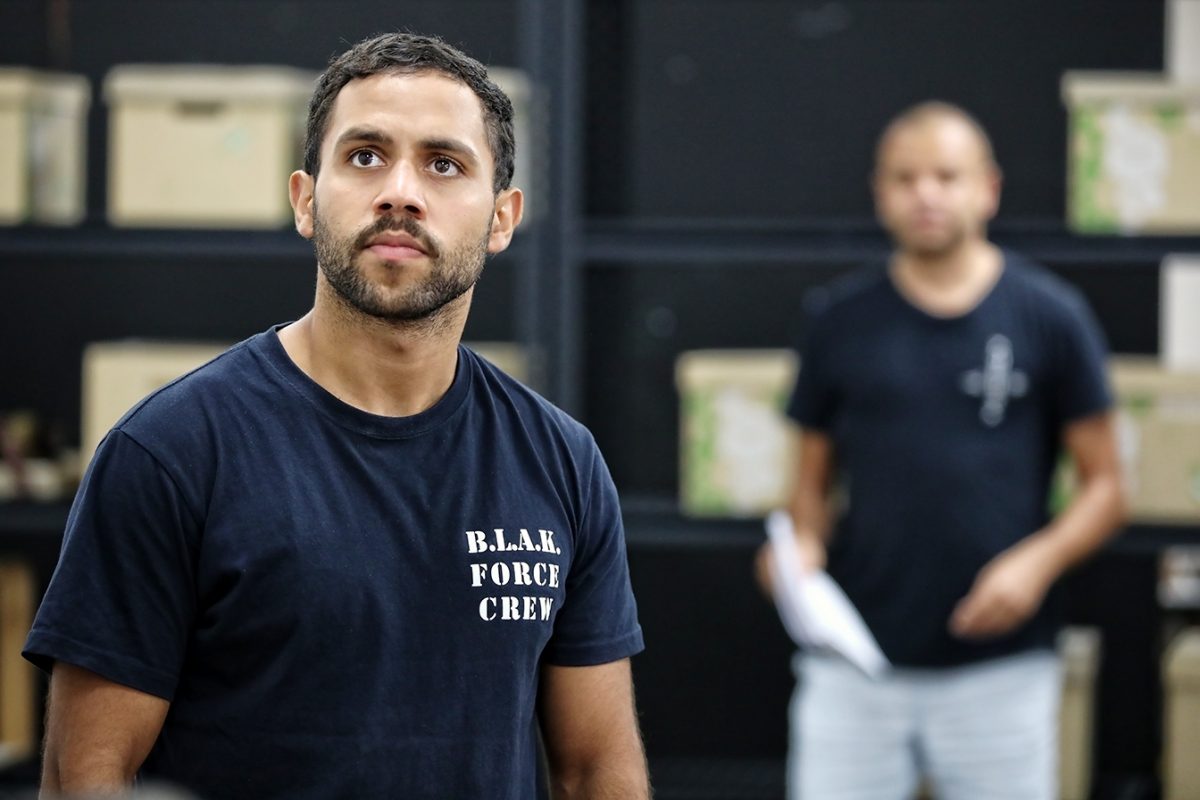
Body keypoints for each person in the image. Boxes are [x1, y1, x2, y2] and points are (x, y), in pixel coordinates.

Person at [24, 32, 649, 800]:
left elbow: (594, 771)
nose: (400, 192)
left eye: (444, 164)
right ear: (305, 200)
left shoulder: (560, 460)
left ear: (502, 217)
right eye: (364, 156)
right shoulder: (169, 451)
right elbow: (84, 779)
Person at [757, 101, 1125, 799]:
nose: (926, 193)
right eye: (906, 178)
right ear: (880, 193)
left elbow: (1106, 487)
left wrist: (1035, 563)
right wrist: (797, 550)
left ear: (987, 188)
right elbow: (808, 483)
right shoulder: (839, 319)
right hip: (856, 665)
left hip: (1001, 670)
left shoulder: (1050, 315)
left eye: (947, 176)